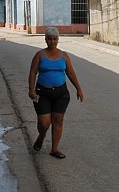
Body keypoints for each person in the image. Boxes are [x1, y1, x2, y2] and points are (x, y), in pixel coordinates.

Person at [28, 27, 84, 159]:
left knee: (58, 121)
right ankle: (41, 136)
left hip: (61, 93)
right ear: (45, 40)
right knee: (44, 123)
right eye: (49, 39)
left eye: (54, 39)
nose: (52, 42)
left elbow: (70, 73)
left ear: (58, 40)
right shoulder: (39, 55)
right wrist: (31, 89)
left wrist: (79, 88)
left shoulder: (64, 56)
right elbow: (32, 73)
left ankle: (54, 149)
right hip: (42, 93)